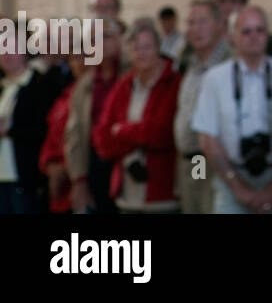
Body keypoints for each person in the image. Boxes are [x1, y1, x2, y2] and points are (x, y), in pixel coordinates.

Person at [190, 6, 272, 214]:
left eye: (260, 30)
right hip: (231, 178)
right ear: (232, 36)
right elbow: (207, 139)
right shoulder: (215, 78)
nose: (254, 37)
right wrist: (237, 188)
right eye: (246, 31)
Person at [91, 18, 181, 213]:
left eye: (148, 47)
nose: (142, 53)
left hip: (162, 193)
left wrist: (122, 130)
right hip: (126, 194)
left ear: (158, 48)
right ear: (129, 52)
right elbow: (102, 138)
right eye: (136, 48)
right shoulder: (123, 86)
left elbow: (163, 133)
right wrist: (133, 145)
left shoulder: (173, 83)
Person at [173, 0, 230, 213]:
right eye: (191, 23)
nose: (196, 29)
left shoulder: (229, 63)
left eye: (203, 22)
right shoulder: (192, 65)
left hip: (215, 160)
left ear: (218, 25)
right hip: (192, 160)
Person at [64, 18, 123, 214]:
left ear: (119, 39)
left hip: (126, 163)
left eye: (105, 37)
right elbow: (74, 135)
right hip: (94, 165)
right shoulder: (84, 84)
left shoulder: (132, 76)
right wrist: (78, 180)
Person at [0, 46, 55, 213]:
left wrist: (9, 131)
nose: (6, 55)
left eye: (11, 48)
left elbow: (44, 129)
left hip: (26, 174)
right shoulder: (4, 86)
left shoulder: (41, 85)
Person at [39, 55, 89, 214]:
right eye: (74, 59)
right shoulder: (65, 96)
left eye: (84, 58)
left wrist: (66, 168)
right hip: (60, 189)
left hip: (83, 180)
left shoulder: (97, 93)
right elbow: (51, 137)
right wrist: (49, 165)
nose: (79, 64)